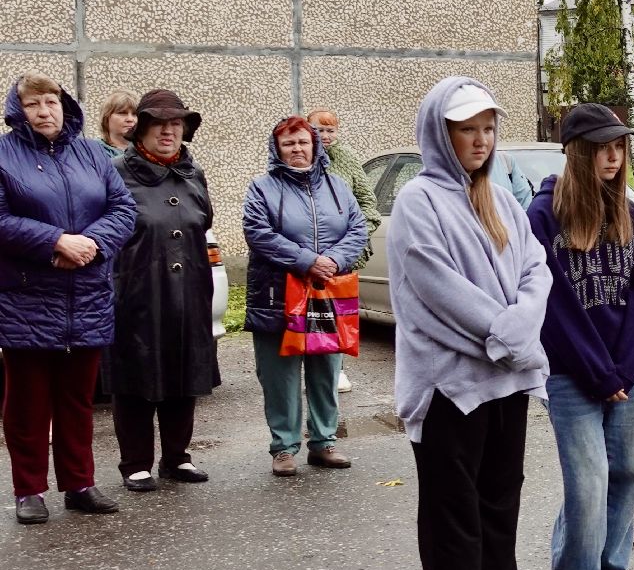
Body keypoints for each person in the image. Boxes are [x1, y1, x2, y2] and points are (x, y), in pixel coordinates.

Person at [390, 76, 552, 570]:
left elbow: (536, 268)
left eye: (487, 128)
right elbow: (436, 291)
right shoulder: (417, 202)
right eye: (467, 129)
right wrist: (510, 336)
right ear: (441, 132)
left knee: (499, 499)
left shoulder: (502, 197)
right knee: (452, 507)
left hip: (504, 380)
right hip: (448, 386)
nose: (480, 140)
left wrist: (518, 329)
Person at [526, 104, 634, 570]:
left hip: (624, 374)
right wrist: (598, 372)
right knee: (588, 478)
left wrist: (625, 368)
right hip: (572, 374)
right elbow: (552, 306)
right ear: (577, 152)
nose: (613, 155)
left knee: (626, 474)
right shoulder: (544, 216)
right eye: (602, 146)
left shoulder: (630, 213)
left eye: (619, 145)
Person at [1, 74, 137, 523]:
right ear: (19, 111)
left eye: (52, 101)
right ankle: (30, 490)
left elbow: (123, 210)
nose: (45, 111)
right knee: (28, 401)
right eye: (34, 103)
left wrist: (91, 244)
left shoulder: (92, 153)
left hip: (87, 291)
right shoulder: (4, 154)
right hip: (26, 295)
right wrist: (55, 241)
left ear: (65, 105)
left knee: (78, 398)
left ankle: (80, 484)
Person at [242, 116, 368, 476]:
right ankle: (283, 448)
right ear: (277, 149)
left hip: (326, 292)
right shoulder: (262, 187)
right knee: (279, 375)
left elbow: (357, 227)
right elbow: (258, 232)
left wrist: (333, 260)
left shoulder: (338, 187)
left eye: (302, 142)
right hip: (277, 294)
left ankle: (324, 442)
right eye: (288, 144)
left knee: (325, 370)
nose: (297, 150)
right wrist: (307, 260)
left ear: (314, 145)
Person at [110, 90, 220, 494]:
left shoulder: (194, 174)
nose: (169, 130)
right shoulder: (118, 172)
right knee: (137, 372)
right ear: (141, 129)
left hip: (189, 287)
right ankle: (135, 462)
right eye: (160, 123)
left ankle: (177, 457)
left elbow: (202, 219)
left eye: (177, 123)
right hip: (137, 289)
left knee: (183, 368)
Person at [307, 108, 381, 397]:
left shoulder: (347, 159)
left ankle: (335, 368)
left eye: (330, 130)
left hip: (344, 253)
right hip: (308, 253)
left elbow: (367, 200)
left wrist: (355, 236)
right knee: (309, 313)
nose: (325, 136)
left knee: (337, 313)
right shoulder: (300, 155)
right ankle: (311, 365)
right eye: (319, 130)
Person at [96, 89, 138, 157]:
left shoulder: (147, 153)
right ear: (106, 118)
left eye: (134, 114)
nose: (130, 119)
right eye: (122, 113)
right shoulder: (93, 151)